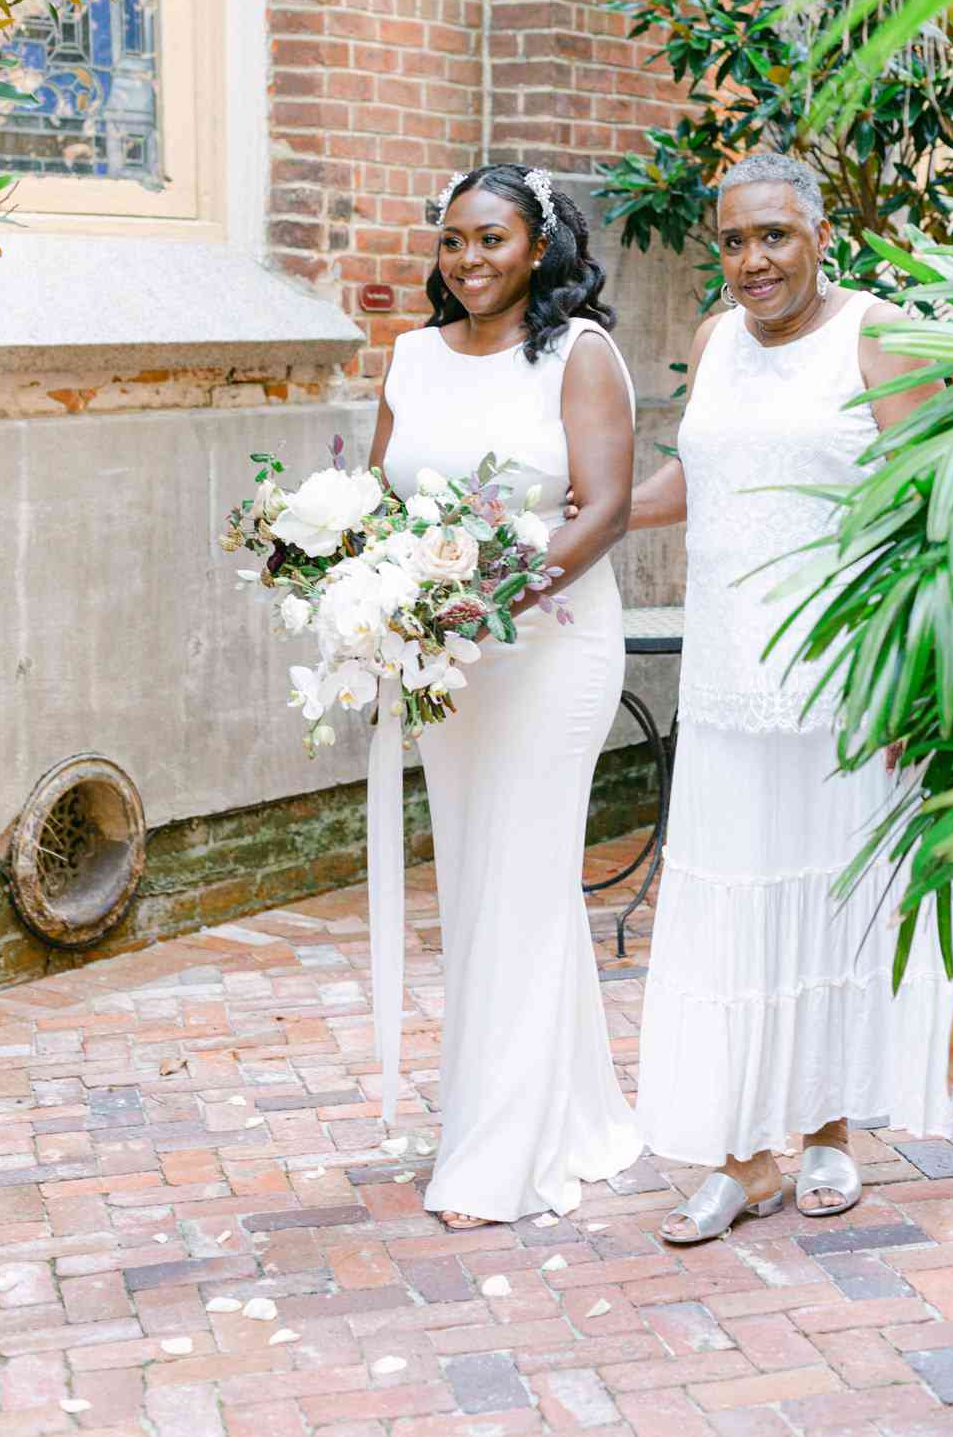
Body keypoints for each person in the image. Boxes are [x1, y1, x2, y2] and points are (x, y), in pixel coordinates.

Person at [628, 150, 953, 1242]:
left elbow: (937, 513)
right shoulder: (713, 342)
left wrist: (910, 679)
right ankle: (741, 1157)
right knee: (732, 916)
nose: (751, 261)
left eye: (772, 235)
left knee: (832, 908)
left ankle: (827, 1134)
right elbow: (705, 473)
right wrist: (578, 520)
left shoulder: (872, 335)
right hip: (731, 680)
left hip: (846, 688)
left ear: (818, 233)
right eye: (732, 241)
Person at [369, 162, 644, 1228]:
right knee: (481, 882)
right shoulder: (408, 357)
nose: (470, 260)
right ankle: (569, 1111)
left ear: (538, 246)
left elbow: (604, 510)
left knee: (524, 881)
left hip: (550, 650)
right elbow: (378, 502)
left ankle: (500, 1153)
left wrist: (480, 605)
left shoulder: (577, 356)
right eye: (453, 242)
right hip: (446, 668)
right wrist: (370, 605)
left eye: (491, 239)